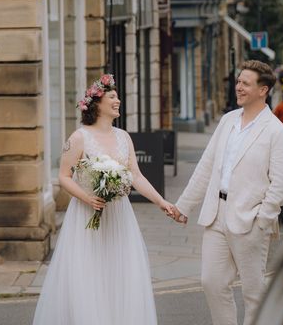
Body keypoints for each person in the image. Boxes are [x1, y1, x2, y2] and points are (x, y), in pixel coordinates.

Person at [32, 74, 176, 325]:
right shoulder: (79, 137)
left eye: (117, 96)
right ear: (97, 103)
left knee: (119, 273)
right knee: (89, 273)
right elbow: (64, 176)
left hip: (119, 216)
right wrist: (87, 198)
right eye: (112, 97)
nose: (118, 100)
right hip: (87, 214)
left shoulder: (123, 137)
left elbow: (136, 176)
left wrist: (161, 202)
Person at [170, 60, 283, 325]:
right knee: (212, 282)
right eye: (238, 82)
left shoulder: (278, 133)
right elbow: (207, 166)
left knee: (253, 293)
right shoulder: (227, 121)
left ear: (263, 90)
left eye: (245, 83)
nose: (238, 87)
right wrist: (184, 206)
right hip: (216, 215)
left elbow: (280, 186)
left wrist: (262, 221)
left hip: (250, 220)